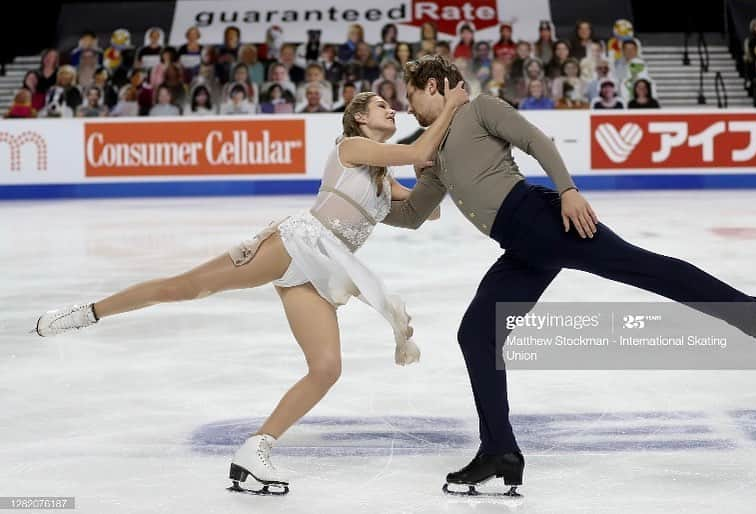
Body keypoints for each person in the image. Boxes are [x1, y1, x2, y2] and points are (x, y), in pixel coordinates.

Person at [386, 55, 756, 496]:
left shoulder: (480, 108)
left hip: (543, 221)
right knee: (476, 333)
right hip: (523, 245)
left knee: (648, 269)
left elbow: (536, 141)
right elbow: (412, 214)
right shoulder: (432, 152)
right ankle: (499, 450)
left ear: (433, 86)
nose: (408, 108)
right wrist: (365, 203)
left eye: (410, 96)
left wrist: (568, 191)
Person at [34, 80, 469, 496]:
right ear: (357, 118)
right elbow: (417, 148)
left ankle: (255, 450)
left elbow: (421, 213)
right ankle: (87, 312)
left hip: (320, 272)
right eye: (381, 106)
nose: (391, 109)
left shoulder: (381, 179)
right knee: (187, 287)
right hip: (296, 243)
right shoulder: (352, 148)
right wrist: (451, 107)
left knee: (326, 368)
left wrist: (432, 174)